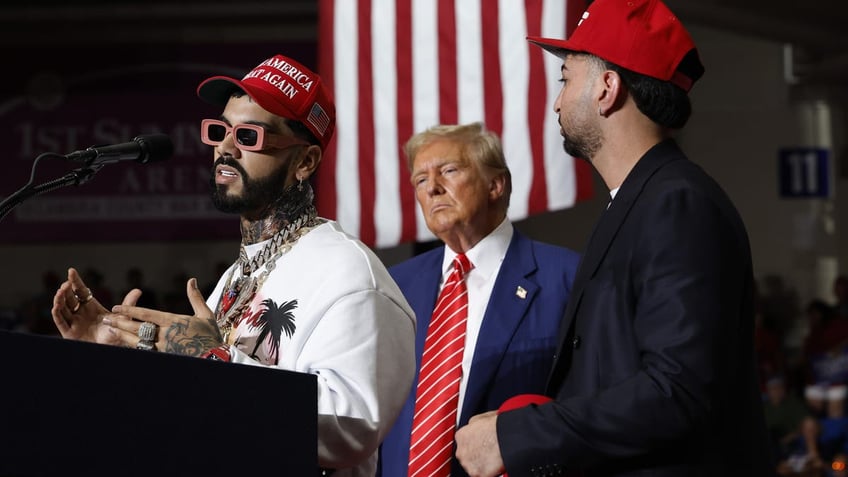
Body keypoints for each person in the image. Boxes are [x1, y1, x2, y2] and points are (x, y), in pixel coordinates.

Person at [50, 53, 416, 476]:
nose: (224, 147)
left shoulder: (351, 276)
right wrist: (118, 356)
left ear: (305, 162)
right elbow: (198, 404)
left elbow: (351, 429)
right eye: (221, 131)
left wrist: (217, 356)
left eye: (249, 136)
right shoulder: (235, 276)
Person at [453, 0, 775, 475]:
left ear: (607, 88)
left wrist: (517, 435)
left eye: (566, 79)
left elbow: (677, 391)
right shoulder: (641, 202)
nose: (558, 100)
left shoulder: (677, 205)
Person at [377, 123, 580, 476]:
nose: (433, 188)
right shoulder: (396, 284)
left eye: (449, 171)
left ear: (495, 185)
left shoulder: (564, 276)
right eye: (420, 180)